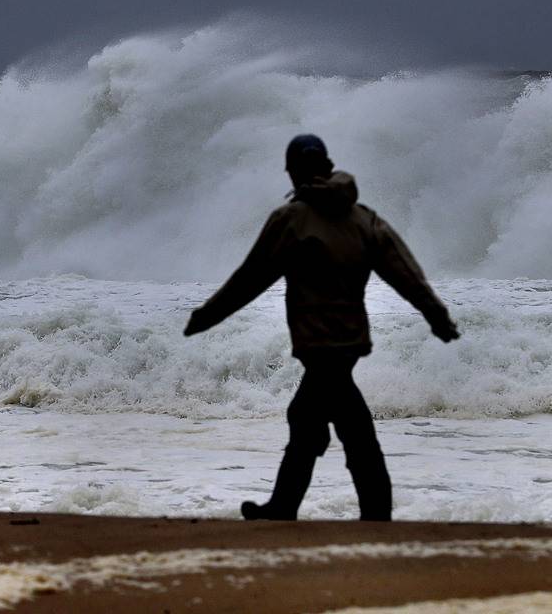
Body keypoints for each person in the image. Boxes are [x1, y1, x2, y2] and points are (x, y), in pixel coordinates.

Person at [183, 134, 459, 521]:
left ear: (296, 171)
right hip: (349, 340)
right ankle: (312, 509)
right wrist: (437, 316)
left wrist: (206, 317)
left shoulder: (292, 220)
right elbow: (407, 274)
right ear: (326, 166)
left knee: (342, 426)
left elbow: (251, 278)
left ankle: (347, 512)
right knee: (316, 421)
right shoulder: (364, 218)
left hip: (317, 342)